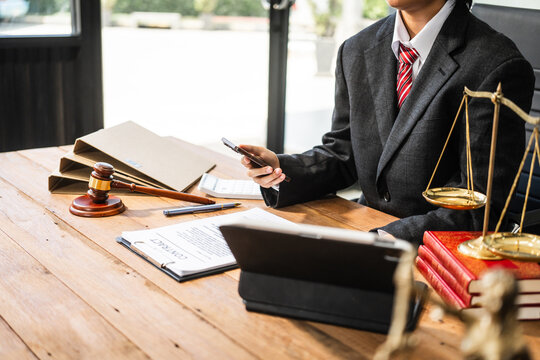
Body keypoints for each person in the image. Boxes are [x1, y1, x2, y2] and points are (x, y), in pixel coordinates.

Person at [240, 0, 535, 243]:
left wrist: (381, 239)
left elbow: (479, 209)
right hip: (365, 229)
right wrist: (281, 168)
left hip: (431, 250)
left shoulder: (496, 66)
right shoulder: (356, 49)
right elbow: (344, 153)